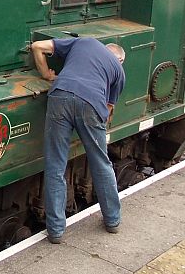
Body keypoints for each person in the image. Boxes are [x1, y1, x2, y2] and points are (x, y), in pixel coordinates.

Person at [30, 37, 126, 243]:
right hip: (91, 103)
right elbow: (108, 110)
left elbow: (37, 46)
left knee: (55, 164)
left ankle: (55, 231)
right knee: (101, 163)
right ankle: (112, 221)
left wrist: (46, 74)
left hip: (60, 95)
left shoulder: (84, 42)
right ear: (120, 59)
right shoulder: (118, 71)